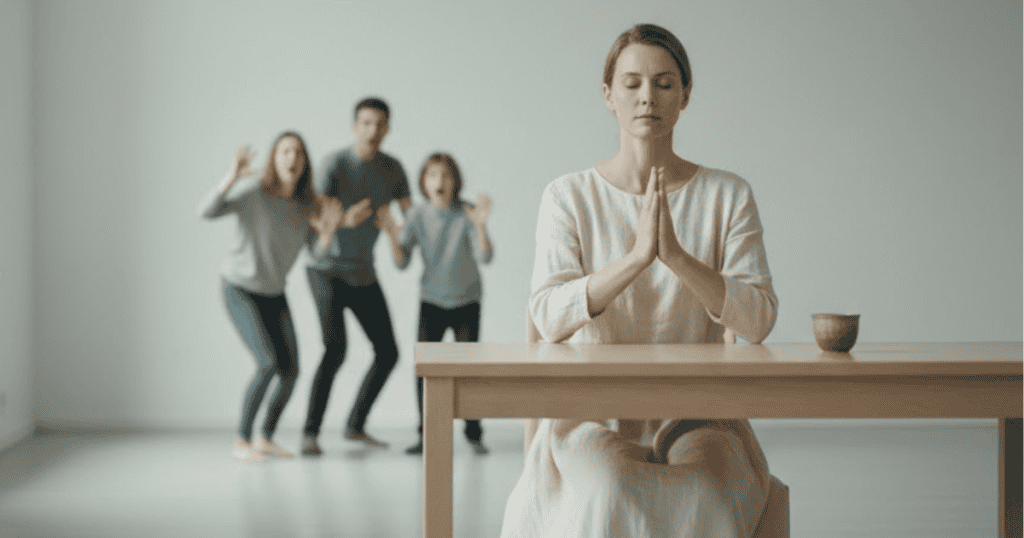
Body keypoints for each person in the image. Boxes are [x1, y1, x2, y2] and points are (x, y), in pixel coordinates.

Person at [500, 24, 779, 537]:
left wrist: (676, 257)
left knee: (705, 490)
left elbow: (758, 318)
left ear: (685, 95)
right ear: (609, 95)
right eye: (632, 83)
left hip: (700, 415)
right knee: (610, 488)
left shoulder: (728, 194)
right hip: (590, 416)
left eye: (664, 83)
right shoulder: (567, 196)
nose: (648, 96)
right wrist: (634, 259)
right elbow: (547, 315)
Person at [198, 132, 346, 464]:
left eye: (298, 153)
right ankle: (241, 440)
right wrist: (231, 177)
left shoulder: (307, 205)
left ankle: (265, 438)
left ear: (305, 163)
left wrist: (327, 234)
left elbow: (318, 255)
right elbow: (206, 211)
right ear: (273, 159)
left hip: (274, 294)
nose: (292, 158)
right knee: (267, 364)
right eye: (284, 152)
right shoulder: (253, 192)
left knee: (290, 371)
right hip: (239, 288)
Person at [301, 97, 412, 456]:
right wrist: (341, 222)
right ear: (354, 127)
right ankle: (309, 433)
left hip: (363, 272)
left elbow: (412, 219)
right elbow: (313, 218)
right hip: (326, 271)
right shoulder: (334, 164)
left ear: (387, 129)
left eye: (379, 124)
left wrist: (400, 235)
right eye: (366, 123)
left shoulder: (393, 169)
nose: (372, 130)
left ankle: (354, 426)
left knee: (388, 352)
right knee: (335, 349)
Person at [377, 153, 495, 456]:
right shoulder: (417, 214)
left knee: (468, 372)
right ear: (424, 182)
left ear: (455, 181)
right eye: (432, 175)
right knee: (425, 371)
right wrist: (391, 235)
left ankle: (473, 434)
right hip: (431, 302)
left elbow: (485, 257)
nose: (439, 181)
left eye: (445, 175)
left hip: (466, 301)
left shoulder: (467, 212)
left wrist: (481, 227)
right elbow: (402, 262)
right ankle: (426, 435)